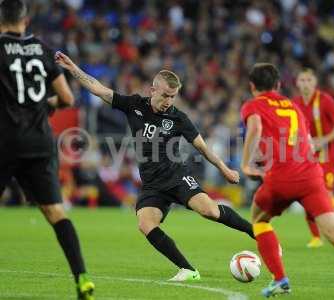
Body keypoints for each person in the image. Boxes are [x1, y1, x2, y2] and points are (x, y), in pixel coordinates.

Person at [55, 51, 254, 281]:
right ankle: (188, 270)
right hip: (152, 184)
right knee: (145, 223)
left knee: (209, 210)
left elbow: (202, 147)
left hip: (176, 176)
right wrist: (73, 69)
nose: (169, 101)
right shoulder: (134, 105)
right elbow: (99, 89)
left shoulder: (179, 118)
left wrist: (224, 169)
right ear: (153, 90)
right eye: (166, 95)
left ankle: (255, 232)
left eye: (173, 96)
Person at [240, 63, 334, 299]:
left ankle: (280, 280)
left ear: (251, 86)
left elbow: (255, 127)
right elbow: (307, 143)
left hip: (281, 177)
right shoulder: (294, 106)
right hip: (311, 174)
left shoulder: (253, 104)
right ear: (278, 85)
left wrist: (246, 164)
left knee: (259, 219)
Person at [0, 1, 94, 299]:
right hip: (40, 142)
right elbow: (66, 98)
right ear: (25, 20)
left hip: (5, 141)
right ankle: (82, 278)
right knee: (55, 211)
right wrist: (44, 104)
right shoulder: (41, 50)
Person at [293, 68, 334, 248]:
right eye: (302, 80)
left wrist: (324, 139)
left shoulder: (325, 100)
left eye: (309, 80)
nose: (305, 83)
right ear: (297, 83)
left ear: (315, 82)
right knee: (305, 193)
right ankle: (316, 237)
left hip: (328, 156)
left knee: (325, 198)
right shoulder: (295, 103)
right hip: (306, 156)